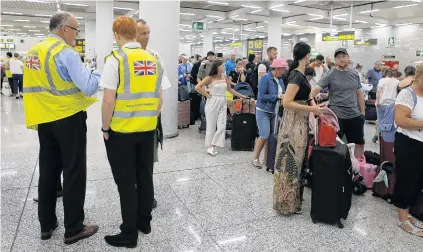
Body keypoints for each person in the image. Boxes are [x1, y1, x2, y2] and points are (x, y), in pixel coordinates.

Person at [23, 11, 100, 244]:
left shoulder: (33, 52)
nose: (76, 36)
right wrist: (97, 72)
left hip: (44, 120)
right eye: (76, 31)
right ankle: (74, 227)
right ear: (65, 28)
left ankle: (46, 224)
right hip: (68, 118)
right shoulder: (65, 52)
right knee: (74, 171)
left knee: (48, 171)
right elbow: (87, 86)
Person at [101, 16, 163, 248]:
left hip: (122, 132)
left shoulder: (116, 59)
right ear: (135, 34)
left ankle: (128, 234)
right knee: (145, 176)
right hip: (148, 129)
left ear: (117, 35)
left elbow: (108, 102)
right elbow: (159, 98)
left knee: (126, 182)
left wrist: (105, 128)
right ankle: (144, 223)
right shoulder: (154, 58)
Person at [274, 42, 324, 215]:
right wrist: (313, 109)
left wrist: (314, 104)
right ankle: (286, 202)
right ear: (307, 55)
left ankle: (292, 201)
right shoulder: (296, 75)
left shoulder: (299, 73)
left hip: (299, 121)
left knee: (297, 160)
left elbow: (304, 96)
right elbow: (287, 102)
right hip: (294, 122)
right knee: (291, 160)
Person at [136, 18, 172, 209]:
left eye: (148, 32)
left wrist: (155, 115)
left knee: (148, 161)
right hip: (127, 121)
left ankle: (146, 197)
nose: (147, 37)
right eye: (143, 33)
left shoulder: (155, 56)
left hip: (149, 120)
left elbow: (160, 90)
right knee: (131, 163)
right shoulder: (121, 57)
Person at [309, 48, 366, 158]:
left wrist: (362, 113)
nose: (341, 59)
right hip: (336, 117)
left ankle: (358, 169)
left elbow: (359, 94)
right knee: (333, 146)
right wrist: (311, 103)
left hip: (355, 115)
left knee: (358, 144)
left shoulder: (354, 74)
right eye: (338, 57)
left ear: (348, 58)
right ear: (335, 59)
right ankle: (337, 170)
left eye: (343, 56)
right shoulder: (330, 74)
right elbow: (316, 89)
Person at [393, 64, 423, 238]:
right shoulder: (407, 94)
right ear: (419, 76)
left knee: (418, 180)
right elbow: (401, 120)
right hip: (408, 143)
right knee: (407, 179)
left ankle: (409, 213)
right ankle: (402, 218)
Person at [195, 60, 246, 156]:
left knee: (222, 126)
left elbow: (230, 89)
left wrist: (241, 96)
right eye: (223, 66)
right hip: (212, 102)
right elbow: (197, 87)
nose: (224, 67)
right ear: (217, 67)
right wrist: (207, 95)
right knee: (211, 126)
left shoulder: (225, 77)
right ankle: (211, 146)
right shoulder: (209, 78)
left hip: (223, 101)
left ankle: (213, 144)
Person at [252, 58, 288, 168]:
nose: (284, 71)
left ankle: (268, 160)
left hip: (275, 111)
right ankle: (255, 158)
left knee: (271, 136)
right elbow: (262, 96)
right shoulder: (265, 78)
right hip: (263, 111)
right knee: (264, 135)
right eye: (283, 69)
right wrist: (277, 97)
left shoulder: (280, 79)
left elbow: (283, 92)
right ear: (277, 68)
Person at [374, 67, 400, 143]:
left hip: (382, 104)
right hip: (392, 105)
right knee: (391, 123)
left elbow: (378, 92)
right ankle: (389, 140)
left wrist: (377, 102)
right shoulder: (397, 82)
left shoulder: (382, 81)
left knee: (380, 121)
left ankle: (380, 139)